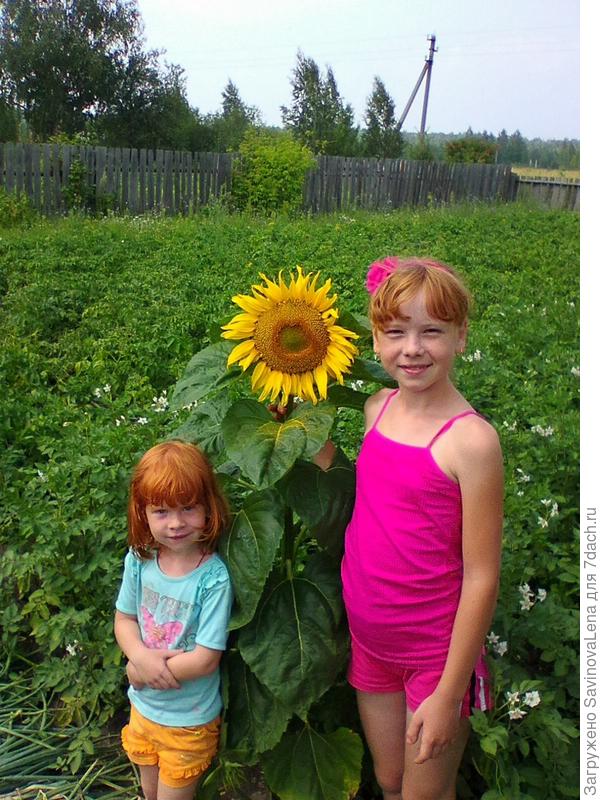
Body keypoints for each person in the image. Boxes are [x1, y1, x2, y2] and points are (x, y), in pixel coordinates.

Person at [341, 257, 504, 800]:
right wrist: (293, 428)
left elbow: (482, 576)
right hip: (370, 641)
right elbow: (364, 494)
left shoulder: (471, 442)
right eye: (396, 332)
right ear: (376, 338)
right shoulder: (376, 408)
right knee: (390, 781)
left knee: (424, 794)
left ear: (460, 337)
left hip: (435, 655)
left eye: (431, 331)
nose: (412, 348)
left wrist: (450, 690)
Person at [114, 440, 233, 800]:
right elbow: (124, 619)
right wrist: (139, 657)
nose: (176, 523)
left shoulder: (212, 578)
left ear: (208, 508)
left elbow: (205, 658)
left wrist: (142, 672)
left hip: (188, 721)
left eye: (188, 508)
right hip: (143, 709)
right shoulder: (140, 559)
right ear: (143, 513)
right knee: (149, 793)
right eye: (162, 511)